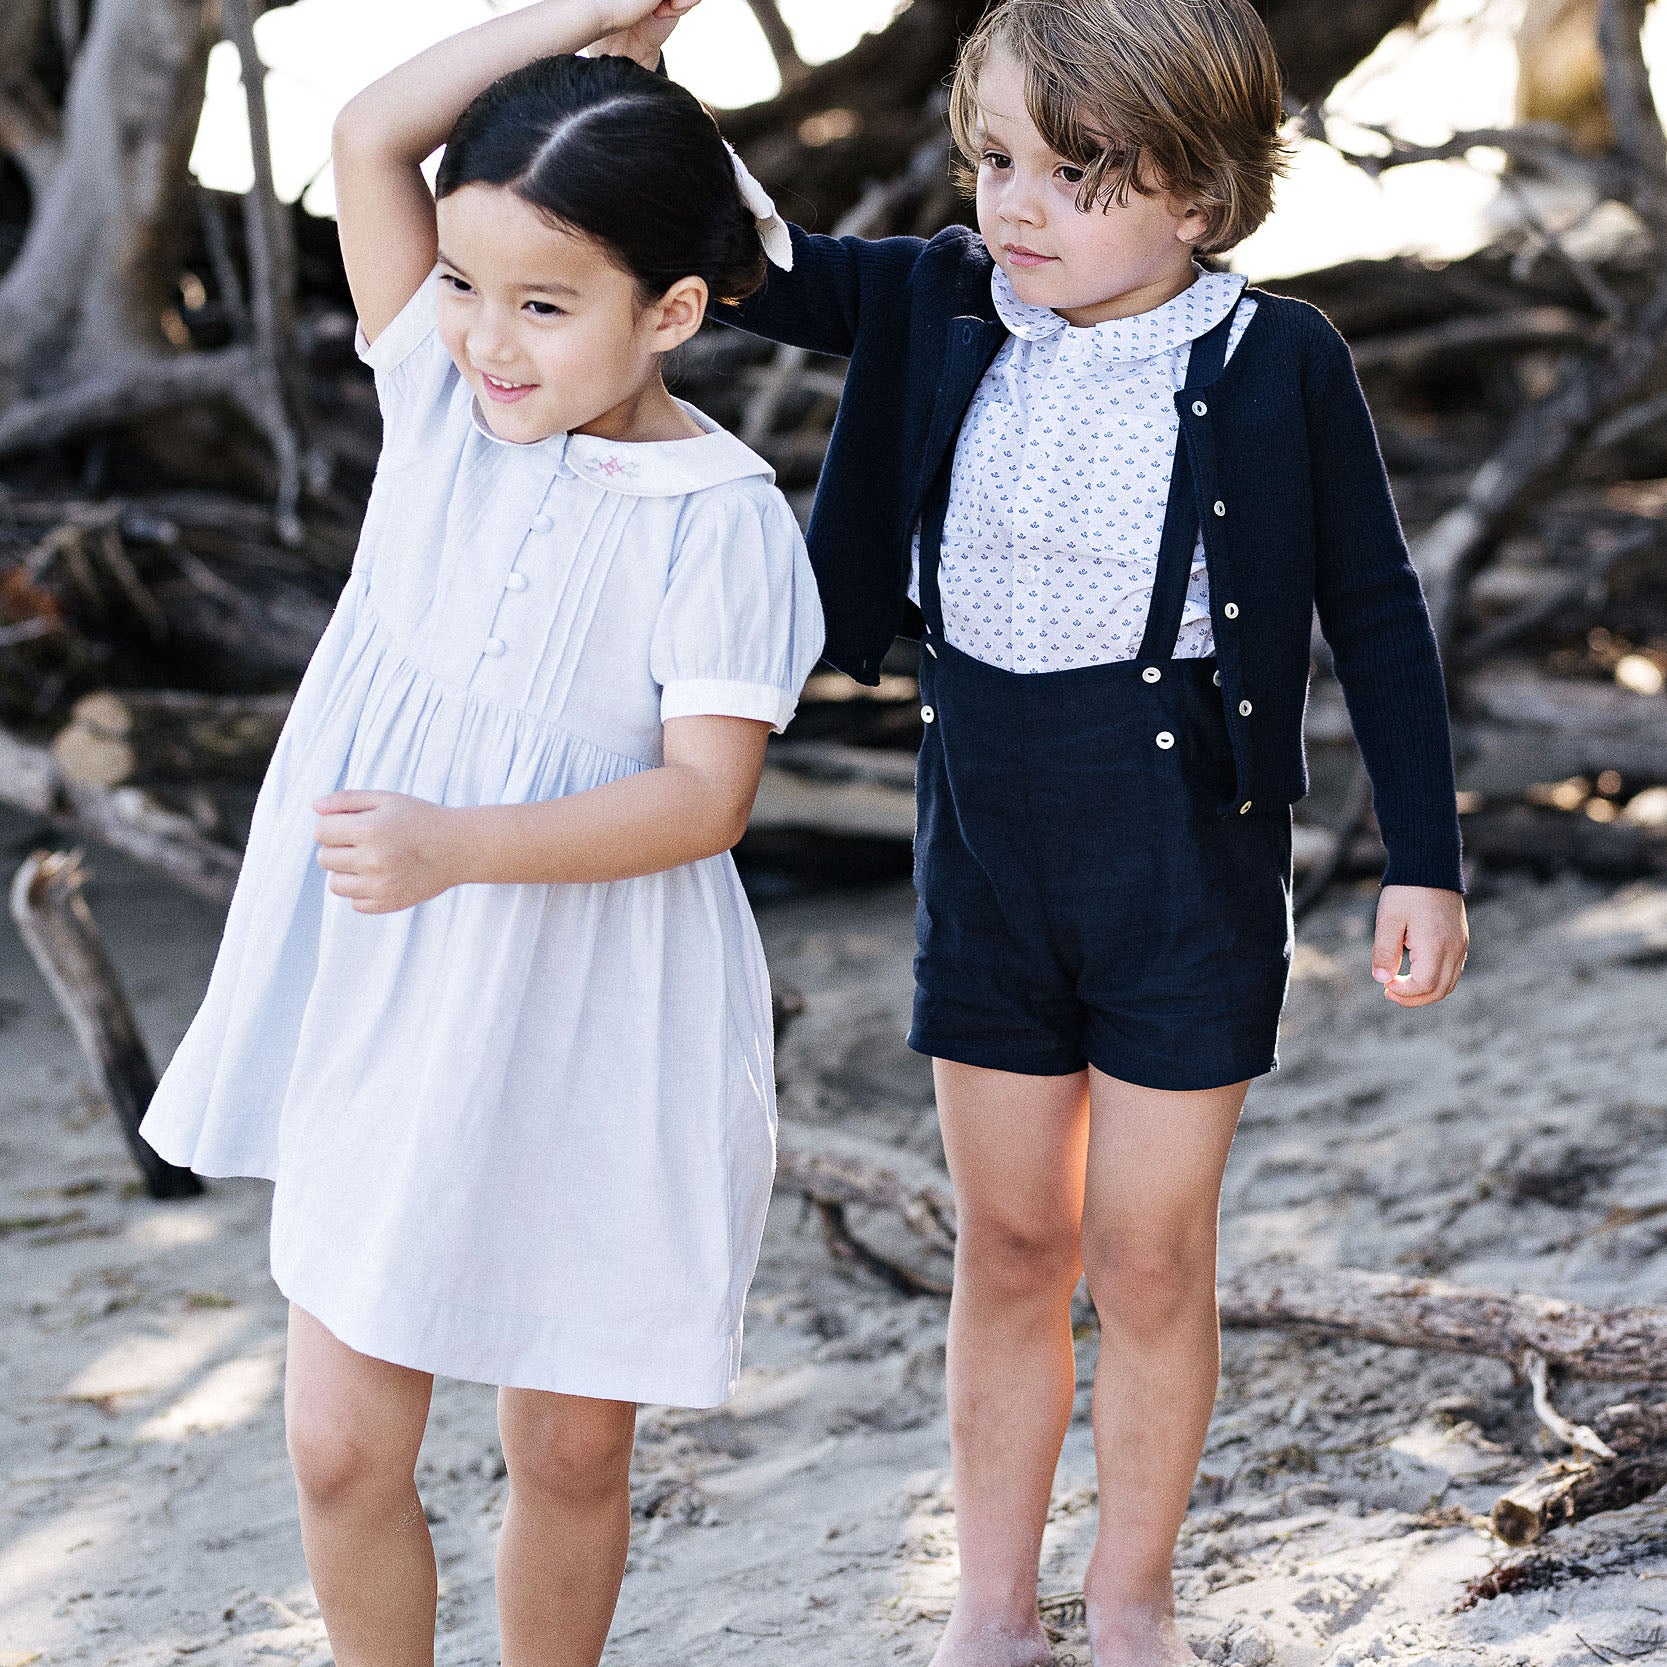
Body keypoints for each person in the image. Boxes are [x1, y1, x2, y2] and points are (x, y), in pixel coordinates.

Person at [628, 0, 1471, 1662]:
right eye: (996, 158)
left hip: (1181, 847)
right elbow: (748, 255)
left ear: (1200, 199)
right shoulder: (943, 299)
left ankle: (1135, 1600)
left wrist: (1425, 860)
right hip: (986, 830)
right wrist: (643, 81)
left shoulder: (1278, 358)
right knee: (1014, 1241)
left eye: (1077, 175)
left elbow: (1375, 610)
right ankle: (996, 1609)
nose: (1016, 205)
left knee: (1147, 1257)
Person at [138, 4, 822, 1664]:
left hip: (594, 1004)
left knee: (569, 1448)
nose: (488, 341)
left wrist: (461, 844)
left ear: (670, 312)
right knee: (337, 1444)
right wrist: (592, 16)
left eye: (544, 305)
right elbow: (370, 131)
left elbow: (706, 798)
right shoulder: (441, 411)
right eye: (460, 283)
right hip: (389, 986)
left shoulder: (722, 520)